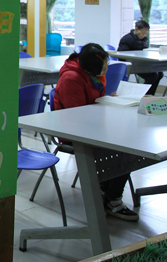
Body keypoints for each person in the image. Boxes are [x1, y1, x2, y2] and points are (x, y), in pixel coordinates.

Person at [53, 43, 138, 221]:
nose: (107, 69)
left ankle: (107, 191)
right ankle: (112, 199)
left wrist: (108, 100)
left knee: (129, 143)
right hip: (73, 131)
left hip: (93, 126)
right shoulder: (71, 78)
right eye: (104, 66)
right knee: (123, 148)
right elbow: (77, 115)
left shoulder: (92, 74)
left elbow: (92, 102)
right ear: (91, 68)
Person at [118, 19, 164, 95]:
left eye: (146, 33)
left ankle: (150, 94)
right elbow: (122, 54)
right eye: (143, 33)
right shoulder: (126, 39)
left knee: (160, 73)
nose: (144, 35)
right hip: (132, 64)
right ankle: (144, 94)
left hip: (142, 63)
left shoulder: (144, 39)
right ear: (136, 29)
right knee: (153, 76)